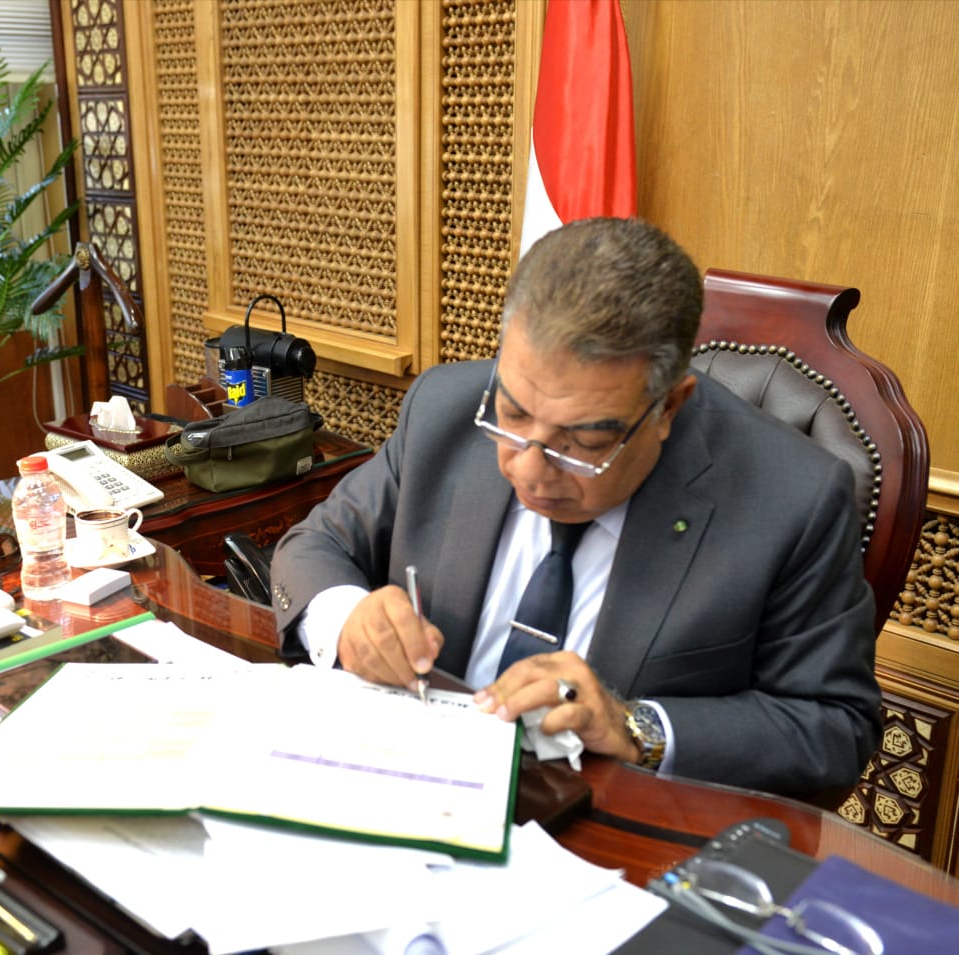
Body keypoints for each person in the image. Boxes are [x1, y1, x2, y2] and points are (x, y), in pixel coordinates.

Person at [270, 217, 881, 796]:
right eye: (512, 416)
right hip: (406, 779)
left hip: (608, 828)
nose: (528, 470)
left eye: (583, 442)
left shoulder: (795, 497)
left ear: (669, 407)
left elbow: (834, 725)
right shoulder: (444, 410)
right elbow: (316, 546)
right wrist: (347, 619)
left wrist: (636, 727)